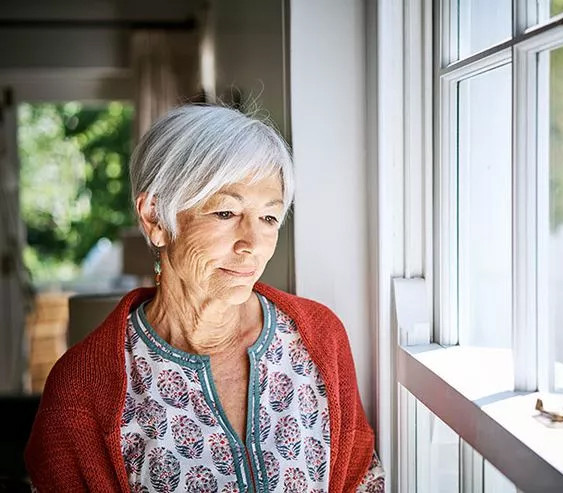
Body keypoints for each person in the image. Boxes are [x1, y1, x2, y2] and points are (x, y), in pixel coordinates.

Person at [25, 105, 384, 493]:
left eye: (269, 218)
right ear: (156, 219)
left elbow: (360, 481)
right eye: (226, 212)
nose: (253, 245)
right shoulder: (80, 390)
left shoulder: (318, 337)